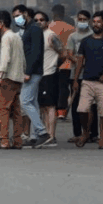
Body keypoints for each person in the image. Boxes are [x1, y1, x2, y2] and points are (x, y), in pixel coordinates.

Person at [72, 10, 103, 149]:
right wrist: (76, 80)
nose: (96, 24)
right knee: (82, 110)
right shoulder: (86, 41)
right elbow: (80, 61)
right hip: (87, 81)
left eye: (99, 22)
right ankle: (86, 133)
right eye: (94, 22)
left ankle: (102, 139)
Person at [13, 4, 49, 147]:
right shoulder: (29, 29)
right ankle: (35, 136)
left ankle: (42, 132)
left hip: (32, 72)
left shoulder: (34, 29)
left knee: (25, 101)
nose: (16, 19)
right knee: (33, 103)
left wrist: (28, 72)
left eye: (18, 15)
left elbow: (35, 53)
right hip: (32, 71)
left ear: (26, 13)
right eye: (14, 17)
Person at [0, 10, 24, 149]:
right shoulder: (16, 36)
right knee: (16, 111)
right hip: (18, 78)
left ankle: (4, 140)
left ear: (1, 23)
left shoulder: (5, 37)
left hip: (8, 77)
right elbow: (22, 58)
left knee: (3, 110)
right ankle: (17, 140)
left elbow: (5, 59)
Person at [65, 9, 95, 144]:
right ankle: (77, 133)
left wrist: (86, 62)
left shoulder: (93, 35)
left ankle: (92, 133)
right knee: (76, 105)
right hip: (75, 75)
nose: (82, 21)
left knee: (91, 106)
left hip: (90, 74)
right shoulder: (73, 37)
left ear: (89, 21)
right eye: (80, 19)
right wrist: (79, 62)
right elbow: (69, 54)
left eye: (84, 19)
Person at [34, 10, 63, 146]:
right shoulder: (36, 35)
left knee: (50, 106)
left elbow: (63, 53)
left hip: (49, 75)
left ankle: (51, 136)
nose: (39, 22)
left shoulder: (51, 36)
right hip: (38, 75)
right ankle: (45, 135)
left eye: (41, 20)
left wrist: (54, 65)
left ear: (47, 22)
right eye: (36, 20)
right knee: (42, 107)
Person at [49, 4, 75, 121]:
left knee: (53, 86)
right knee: (64, 87)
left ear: (53, 14)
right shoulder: (71, 29)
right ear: (63, 14)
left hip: (51, 62)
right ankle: (62, 112)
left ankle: (53, 109)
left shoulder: (48, 27)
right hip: (67, 63)